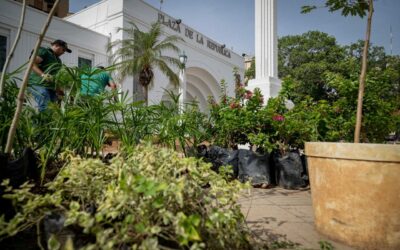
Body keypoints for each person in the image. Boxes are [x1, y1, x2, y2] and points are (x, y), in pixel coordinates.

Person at [28, 39, 71, 111]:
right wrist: (43, 75)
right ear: (56, 45)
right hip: (38, 83)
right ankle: (42, 122)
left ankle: (42, 121)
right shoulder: (44, 51)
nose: (63, 52)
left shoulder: (58, 60)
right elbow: (32, 63)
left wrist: (58, 89)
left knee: (52, 109)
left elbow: (55, 76)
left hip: (51, 87)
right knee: (45, 105)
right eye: (63, 49)